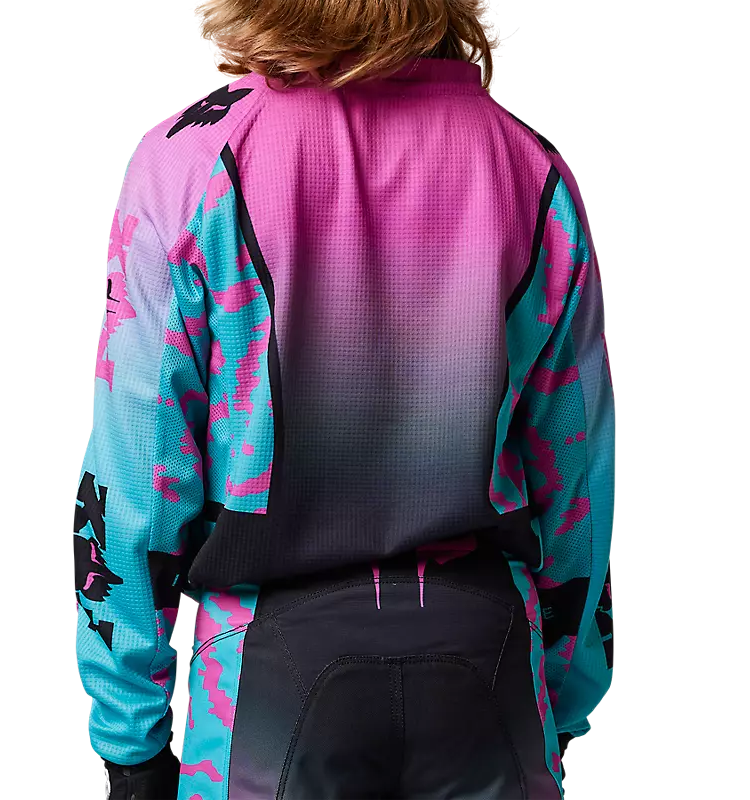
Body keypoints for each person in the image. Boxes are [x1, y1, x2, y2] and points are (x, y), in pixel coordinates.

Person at [72, 1, 616, 798]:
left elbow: (138, 473)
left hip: (265, 679)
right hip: (492, 669)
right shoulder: (529, 167)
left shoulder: (190, 159)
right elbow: (577, 478)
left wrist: (131, 741)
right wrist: (561, 702)